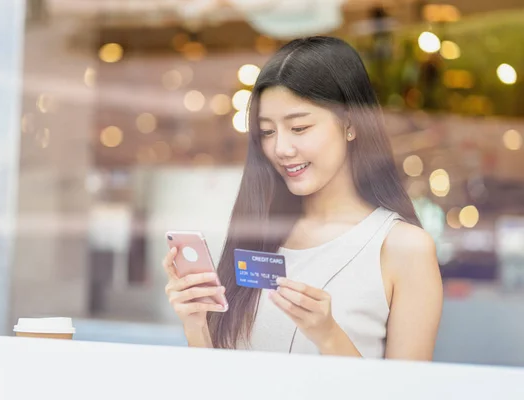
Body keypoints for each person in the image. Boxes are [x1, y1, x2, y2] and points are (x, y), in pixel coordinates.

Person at [163, 36, 443, 360]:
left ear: (350, 124)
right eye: (267, 132)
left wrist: (329, 336)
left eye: (299, 128)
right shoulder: (260, 229)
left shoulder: (403, 248)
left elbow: (407, 394)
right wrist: (195, 325)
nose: (281, 148)